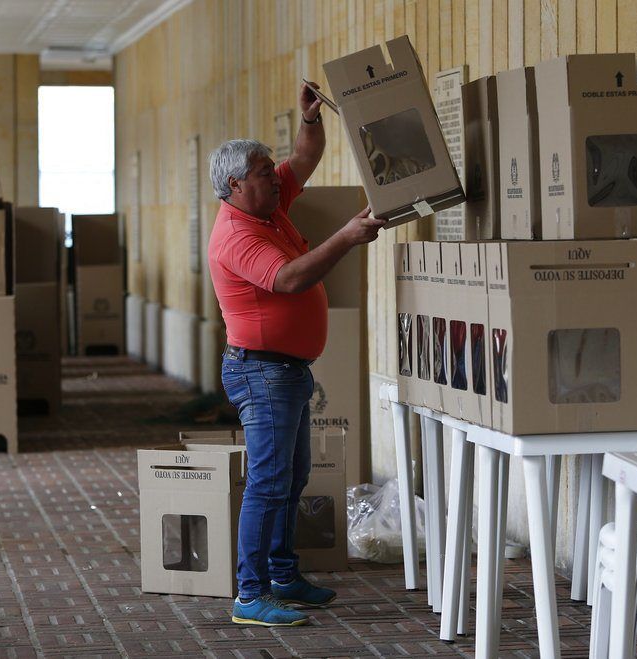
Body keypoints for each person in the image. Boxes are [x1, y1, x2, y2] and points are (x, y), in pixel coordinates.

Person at [207, 82, 385, 627]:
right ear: (237, 184)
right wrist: (347, 237)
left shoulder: (268, 205)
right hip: (261, 373)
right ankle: (250, 594)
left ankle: (283, 575)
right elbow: (287, 279)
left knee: (293, 474)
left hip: (284, 372)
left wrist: (310, 118)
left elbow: (305, 158)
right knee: (268, 480)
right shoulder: (236, 236)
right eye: (264, 171)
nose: (274, 175)